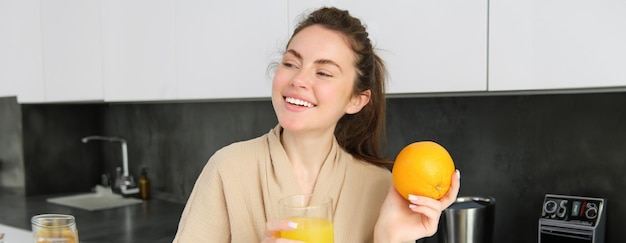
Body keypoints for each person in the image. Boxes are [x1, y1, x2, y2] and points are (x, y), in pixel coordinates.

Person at [173, 6, 460, 243]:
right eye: (290, 64)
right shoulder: (227, 170)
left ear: (357, 100)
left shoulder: (381, 188)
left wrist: (389, 238)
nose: (298, 80)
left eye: (323, 72)